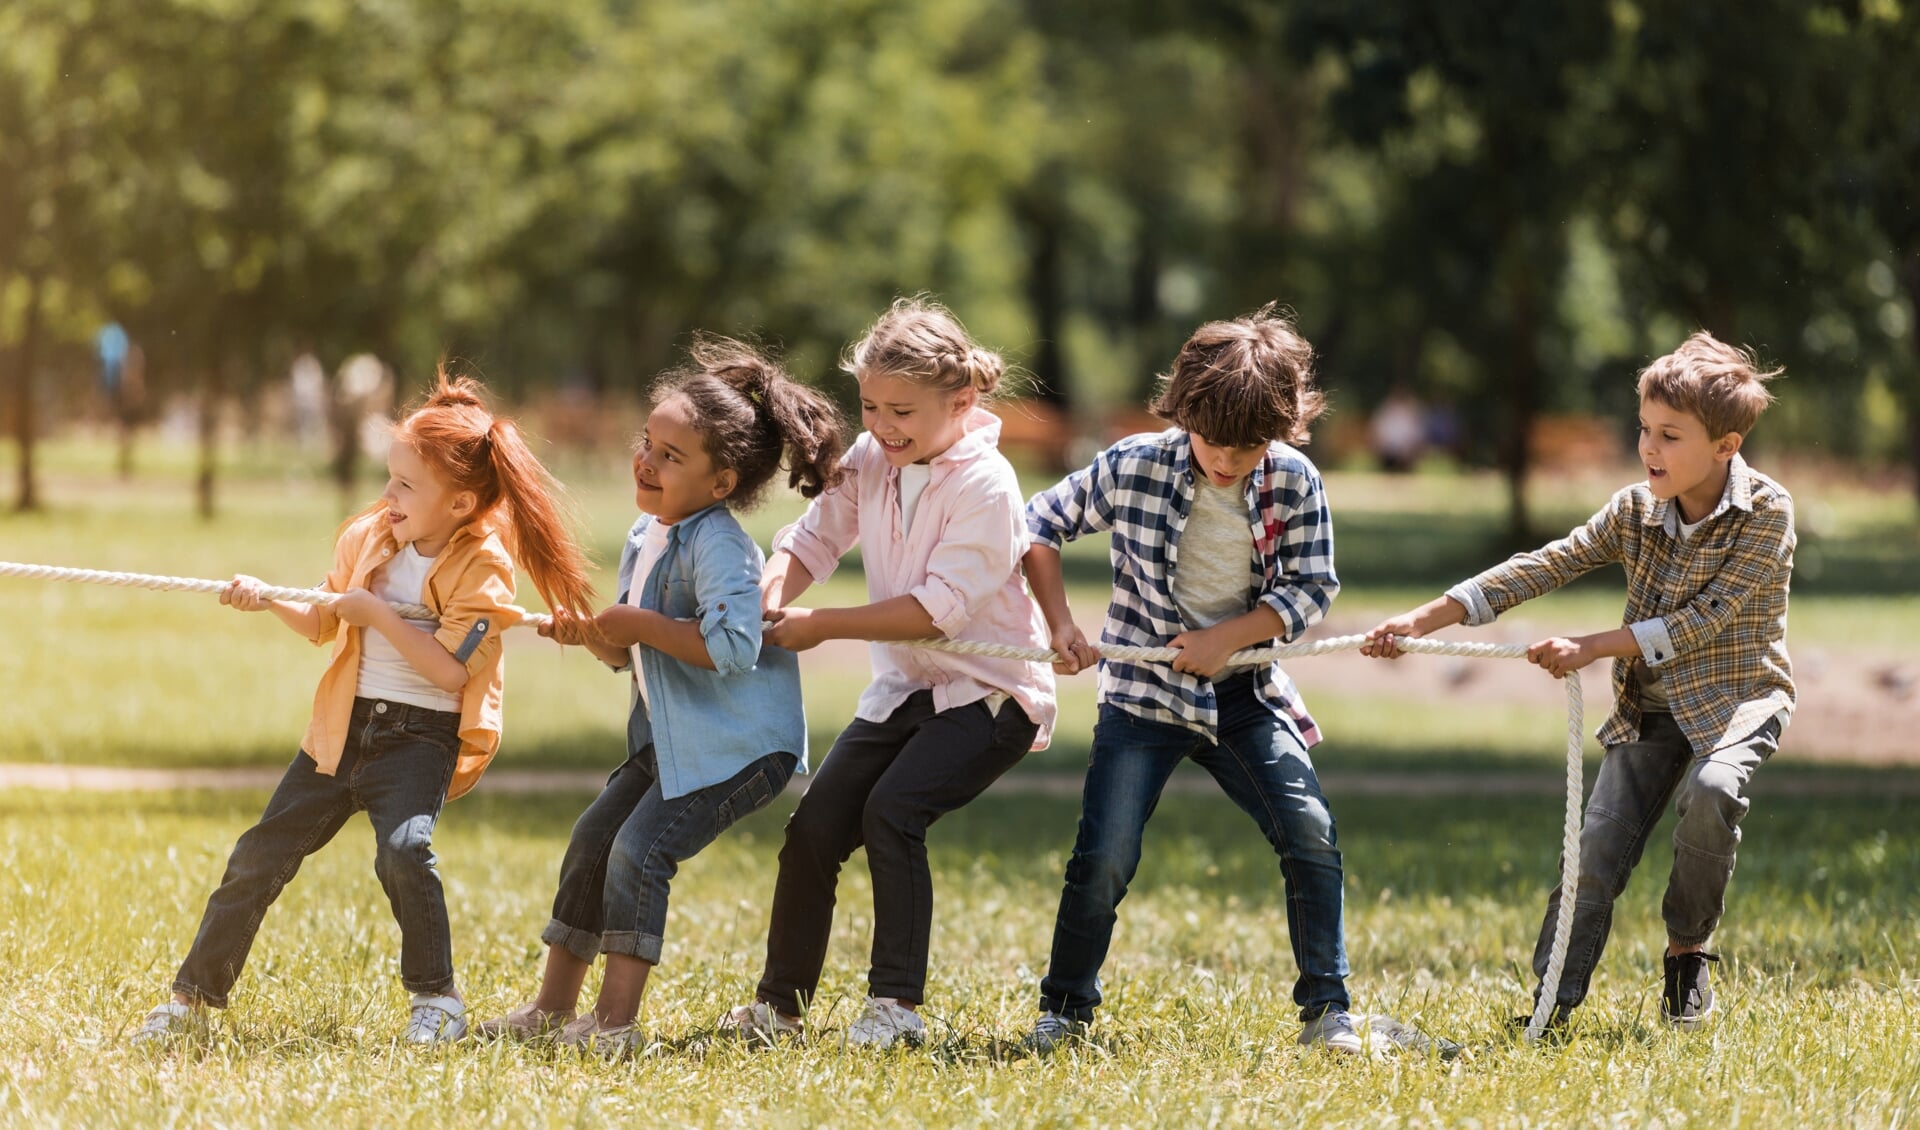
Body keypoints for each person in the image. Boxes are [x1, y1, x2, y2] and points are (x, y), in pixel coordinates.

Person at [131, 372, 596, 1046]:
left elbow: (446, 668)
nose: (388, 496)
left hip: (418, 739)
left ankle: (437, 999)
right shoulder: (371, 538)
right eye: (390, 477)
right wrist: (268, 598)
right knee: (258, 855)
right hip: (342, 729)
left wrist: (376, 611)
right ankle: (189, 1000)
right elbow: (323, 620)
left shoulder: (486, 571)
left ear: (462, 502)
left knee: (404, 853)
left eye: (406, 485)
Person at [1363, 331, 1792, 1032]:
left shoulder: (1768, 514)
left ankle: (1688, 953)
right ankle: (1551, 1004)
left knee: (1713, 791)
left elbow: (1703, 622)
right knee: (1592, 852)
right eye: (1644, 429)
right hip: (1649, 707)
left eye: (1670, 436)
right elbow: (1546, 563)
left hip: (1738, 697)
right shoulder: (1633, 510)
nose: (1649, 448)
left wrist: (1592, 646)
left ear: (1727, 446)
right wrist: (1426, 616)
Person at [475, 338, 845, 1058]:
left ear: (720, 482)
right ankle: (552, 1009)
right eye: (647, 444)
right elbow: (626, 654)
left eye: (671, 456)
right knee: (593, 841)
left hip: (740, 746)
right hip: (669, 737)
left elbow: (735, 648)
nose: (646, 461)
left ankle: (615, 1026)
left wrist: (640, 624)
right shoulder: (647, 532)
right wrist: (589, 635)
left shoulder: (722, 547)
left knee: (640, 852)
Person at [1021, 305, 1364, 1055]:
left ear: (1283, 430)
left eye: (1251, 445)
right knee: (1105, 854)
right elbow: (1036, 525)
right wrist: (1061, 628)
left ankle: (1328, 1011)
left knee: (1309, 831)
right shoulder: (1134, 464)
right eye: (1215, 440)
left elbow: (1311, 589)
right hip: (1143, 701)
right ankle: (1065, 1009)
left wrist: (1228, 641)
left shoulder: (1294, 481)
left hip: (1245, 694)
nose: (1230, 459)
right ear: (1184, 412)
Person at [718, 298, 1057, 1049]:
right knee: (813, 830)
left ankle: (895, 1010)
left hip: (990, 696)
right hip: (905, 689)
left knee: (893, 813)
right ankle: (779, 1009)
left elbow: (937, 611)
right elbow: (809, 542)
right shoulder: (873, 460)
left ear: (962, 402)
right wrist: (771, 594)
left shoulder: (989, 485)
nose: (882, 425)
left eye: (902, 410)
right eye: (870, 406)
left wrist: (822, 627)